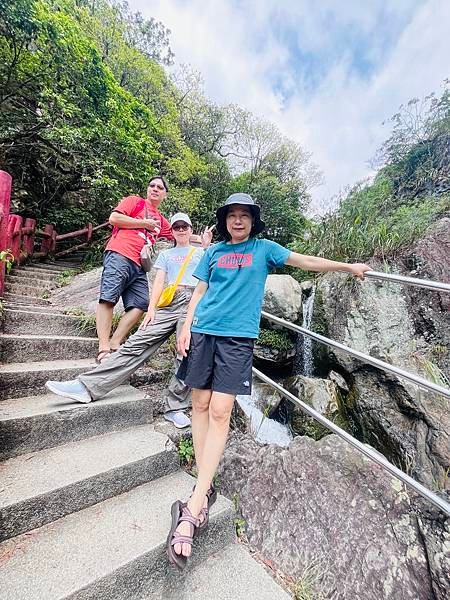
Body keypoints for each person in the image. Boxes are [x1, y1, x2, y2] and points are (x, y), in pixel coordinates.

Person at [166, 193, 371, 569]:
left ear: (253, 220)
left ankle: (194, 503)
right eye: (232, 215)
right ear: (225, 220)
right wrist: (185, 324)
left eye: (244, 216)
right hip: (203, 332)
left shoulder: (264, 249)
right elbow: (199, 290)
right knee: (198, 404)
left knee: (221, 410)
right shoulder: (213, 253)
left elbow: (305, 261)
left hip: (237, 339)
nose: (238, 221)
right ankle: (205, 481)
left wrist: (348, 267)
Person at [45, 213, 214, 429]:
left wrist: (208, 248)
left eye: (185, 226)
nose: (181, 230)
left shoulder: (201, 252)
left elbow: (209, 278)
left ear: (191, 230)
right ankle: (87, 386)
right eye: (176, 227)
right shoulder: (167, 255)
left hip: (193, 303)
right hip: (169, 304)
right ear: (171, 232)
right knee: (136, 343)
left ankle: (175, 407)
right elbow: (160, 281)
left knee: (187, 352)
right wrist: (151, 310)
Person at [95, 175, 173, 364]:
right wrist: (143, 224)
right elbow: (114, 218)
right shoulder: (135, 202)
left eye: (160, 187)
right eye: (152, 185)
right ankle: (103, 348)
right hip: (120, 253)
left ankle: (115, 342)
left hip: (139, 265)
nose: (155, 189)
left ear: (165, 195)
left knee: (141, 303)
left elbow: (179, 234)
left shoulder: (161, 221)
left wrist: (204, 241)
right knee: (108, 298)